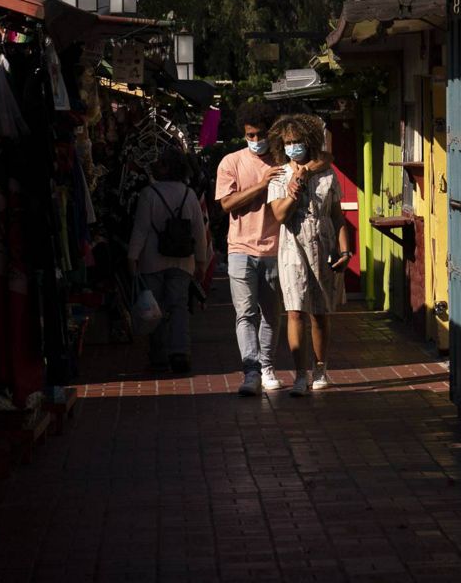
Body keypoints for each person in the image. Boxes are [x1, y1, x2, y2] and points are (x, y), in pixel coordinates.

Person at [216, 101, 333, 396]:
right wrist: (261, 184)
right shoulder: (231, 162)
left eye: (260, 134)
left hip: (277, 249)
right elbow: (226, 204)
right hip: (240, 248)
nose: (256, 140)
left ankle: (268, 367)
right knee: (245, 313)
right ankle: (251, 370)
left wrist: (305, 168)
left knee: (272, 314)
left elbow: (323, 160)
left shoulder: (282, 159)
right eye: (250, 135)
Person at [266, 114, 352, 397]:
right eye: (288, 142)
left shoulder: (327, 174)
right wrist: (294, 191)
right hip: (293, 246)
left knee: (320, 311)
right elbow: (279, 215)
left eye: (298, 141)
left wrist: (345, 248)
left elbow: (337, 216)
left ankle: (320, 368)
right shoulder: (280, 175)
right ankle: (299, 374)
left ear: (309, 142)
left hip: (323, 242)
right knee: (295, 309)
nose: (293, 147)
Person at [128, 149, 210, 373]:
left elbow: (141, 229)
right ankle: (180, 352)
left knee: (155, 308)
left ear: (165, 167)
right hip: (183, 260)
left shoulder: (149, 193)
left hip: (152, 260)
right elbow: (199, 231)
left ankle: (158, 354)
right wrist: (202, 261)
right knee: (179, 306)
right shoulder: (189, 194)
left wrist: (132, 257)